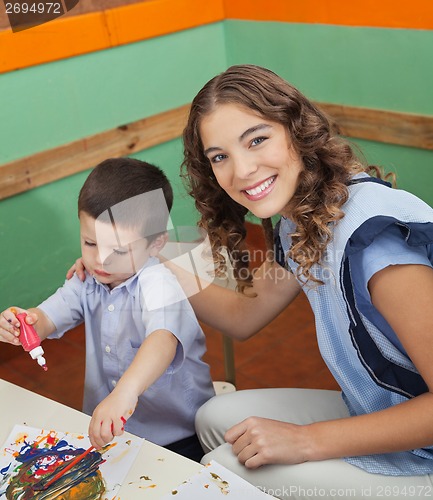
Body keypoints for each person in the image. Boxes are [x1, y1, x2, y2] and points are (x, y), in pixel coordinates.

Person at [63, 66, 433, 499]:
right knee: (213, 417)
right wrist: (137, 256)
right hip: (385, 406)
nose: (241, 171)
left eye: (257, 139)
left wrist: (306, 442)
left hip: (422, 449)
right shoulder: (308, 220)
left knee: (223, 471)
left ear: (298, 130)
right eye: (219, 156)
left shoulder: (375, 244)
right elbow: (243, 316)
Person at [0, 157, 215, 462]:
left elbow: (163, 340)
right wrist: (25, 324)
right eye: (90, 243)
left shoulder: (158, 283)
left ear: (155, 244)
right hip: (111, 430)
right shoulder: (87, 280)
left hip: (179, 434)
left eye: (117, 250)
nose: (100, 259)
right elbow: (48, 316)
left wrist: (124, 393)